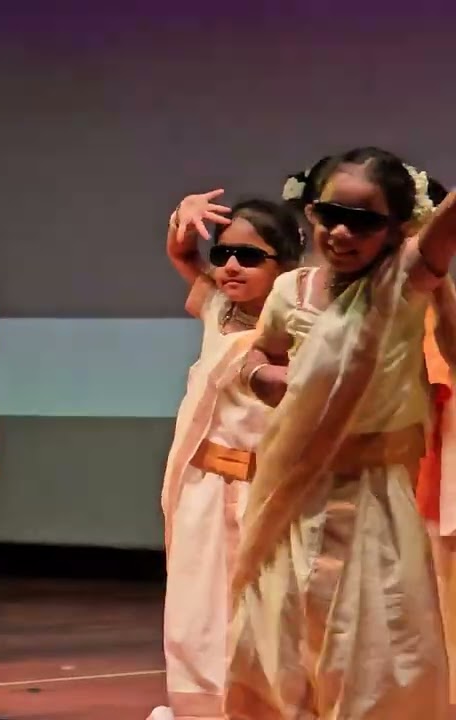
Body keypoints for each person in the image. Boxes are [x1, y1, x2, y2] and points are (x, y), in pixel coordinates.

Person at [228, 147, 456, 718]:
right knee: (281, 638)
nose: (341, 232)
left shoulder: (403, 283)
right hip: (291, 495)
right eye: (329, 214)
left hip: (372, 503)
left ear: (398, 229)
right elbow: (260, 353)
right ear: (310, 211)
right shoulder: (290, 290)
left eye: (363, 221)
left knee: (374, 651)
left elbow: (443, 233)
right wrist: (264, 377)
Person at [146, 195, 303, 720]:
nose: (231, 265)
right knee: (195, 606)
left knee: (265, 611)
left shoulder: (298, 328)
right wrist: (181, 218)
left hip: (267, 491)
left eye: (250, 256)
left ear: (286, 267)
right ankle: (199, 709)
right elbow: (181, 253)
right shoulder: (218, 307)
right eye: (223, 253)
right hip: (204, 485)